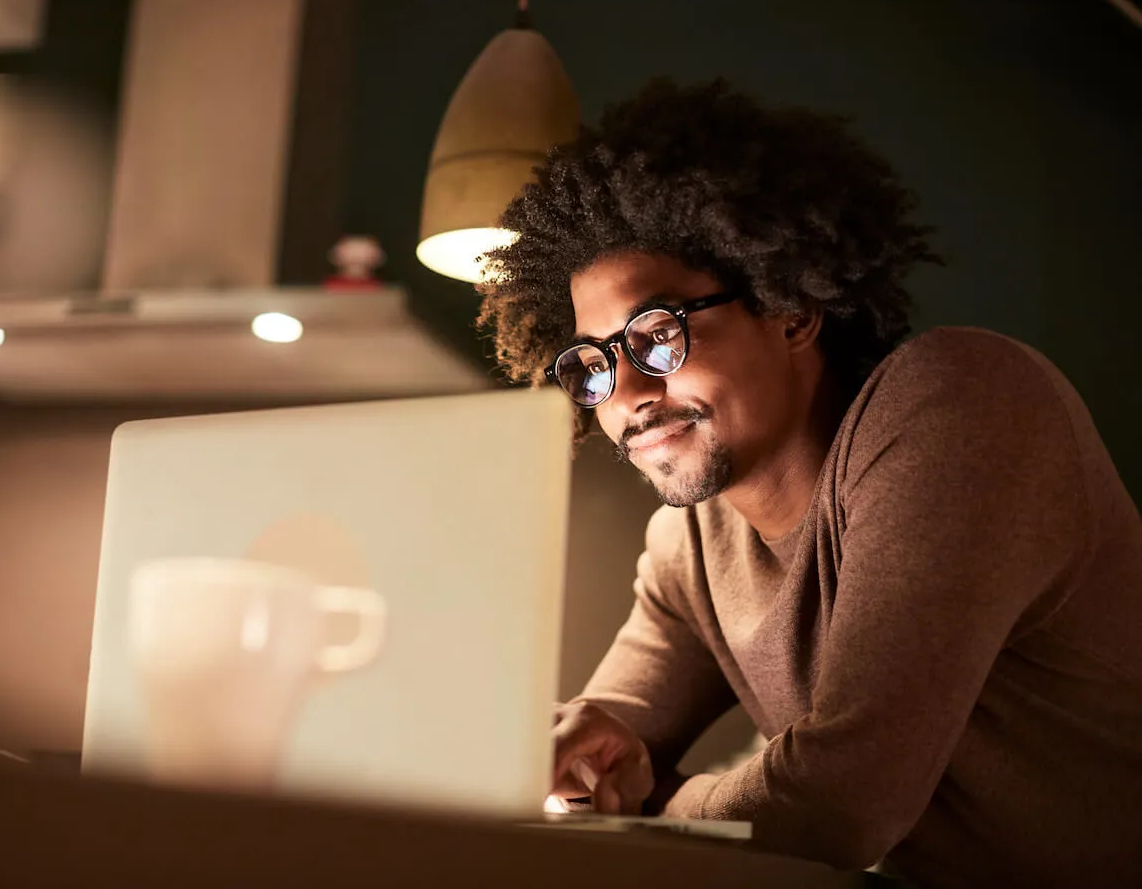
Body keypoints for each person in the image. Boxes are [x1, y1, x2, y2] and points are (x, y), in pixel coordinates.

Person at [477, 78, 1142, 888]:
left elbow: (838, 800)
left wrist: (663, 809)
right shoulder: (692, 543)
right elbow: (596, 753)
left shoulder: (962, 403)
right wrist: (583, 765)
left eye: (657, 335)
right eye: (595, 363)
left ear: (790, 309)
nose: (628, 397)